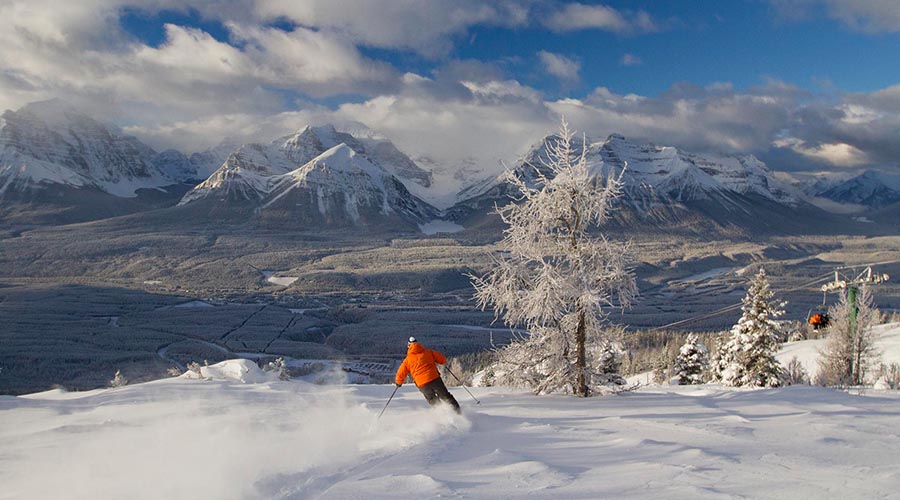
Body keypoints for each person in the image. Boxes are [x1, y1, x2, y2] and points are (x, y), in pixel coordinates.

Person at [395, 336, 461, 414]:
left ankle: (442, 414)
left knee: (432, 399)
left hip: (422, 384)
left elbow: (400, 373)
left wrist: (398, 383)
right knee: (445, 395)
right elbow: (443, 359)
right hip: (434, 378)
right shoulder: (429, 352)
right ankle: (458, 412)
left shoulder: (407, 360)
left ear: (409, 346)